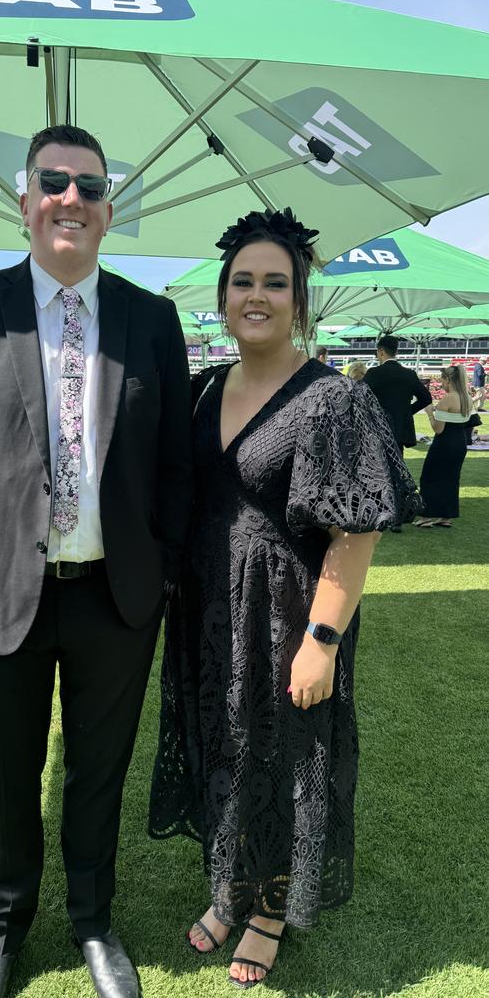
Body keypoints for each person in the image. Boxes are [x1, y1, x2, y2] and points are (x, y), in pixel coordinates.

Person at [0, 124, 193, 998]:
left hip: (117, 597)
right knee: (5, 778)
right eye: (53, 182)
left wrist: (163, 572)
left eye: (90, 186)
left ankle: (95, 923)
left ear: (109, 210)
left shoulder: (153, 318)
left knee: (98, 771)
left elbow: (175, 464)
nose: (71, 198)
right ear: (24, 202)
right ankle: (6, 925)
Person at [149, 207, 420, 989]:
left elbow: (356, 532)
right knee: (221, 742)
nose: (256, 295)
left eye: (276, 282)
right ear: (223, 295)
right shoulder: (204, 391)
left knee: (285, 754)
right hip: (207, 610)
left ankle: (268, 910)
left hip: (289, 612)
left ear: (300, 300)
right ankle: (229, 887)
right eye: (243, 282)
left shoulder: (333, 401)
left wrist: (322, 639)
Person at [363, 334, 431, 533]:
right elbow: (425, 397)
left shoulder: (374, 373)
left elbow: (361, 399)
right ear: (397, 352)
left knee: (377, 471)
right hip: (399, 431)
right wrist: (406, 412)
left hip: (377, 430)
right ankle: (397, 518)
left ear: (381, 351)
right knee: (398, 472)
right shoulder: (408, 374)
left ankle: (378, 513)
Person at [414, 365, 473, 528]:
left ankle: (426, 516)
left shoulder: (447, 399)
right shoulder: (467, 397)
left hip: (444, 442)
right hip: (460, 442)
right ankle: (446, 515)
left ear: (448, 380)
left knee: (429, 476)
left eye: (442, 380)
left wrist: (429, 413)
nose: (441, 384)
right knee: (451, 478)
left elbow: (438, 429)